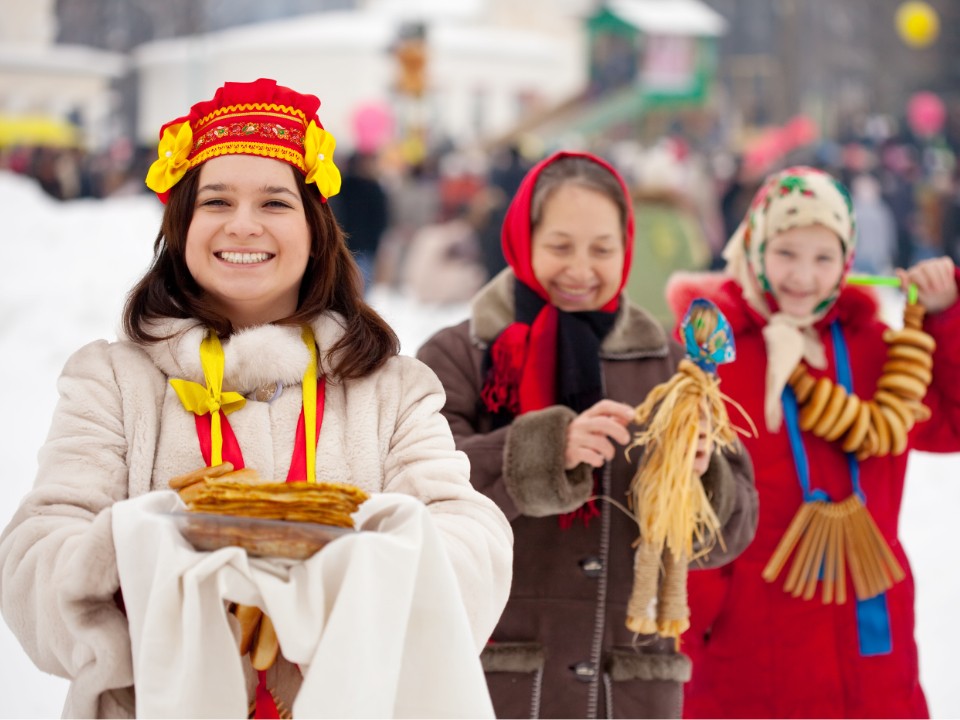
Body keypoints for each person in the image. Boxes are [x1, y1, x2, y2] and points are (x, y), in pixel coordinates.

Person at [0, 78, 512, 718]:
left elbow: (472, 540)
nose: (243, 225)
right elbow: (34, 554)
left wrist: (346, 582)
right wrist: (148, 563)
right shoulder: (111, 380)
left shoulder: (393, 389)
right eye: (215, 200)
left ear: (315, 228)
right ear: (182, 224)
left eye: (275, 202)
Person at [416, 151, 758, 719]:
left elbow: (733, 530)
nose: (581, 269)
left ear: (626, 250)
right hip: (499, 685)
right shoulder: (462, 353)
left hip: (627, 691)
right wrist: (545, 451)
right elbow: (418, 493)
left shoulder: (672, 367)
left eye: (602, 249)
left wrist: (698, 476)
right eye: (559, 246)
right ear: (523, 241)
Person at [666, 165, 960, 718]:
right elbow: (691, 508)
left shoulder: (877, 350)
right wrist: (685, 636)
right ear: (754, 248)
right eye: (786, 253)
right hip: (751, 638)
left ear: (848, 263)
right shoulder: (714, 358)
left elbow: (950, 425)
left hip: (867, 629)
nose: (804, 276)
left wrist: (944, 322)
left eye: (824, 258)